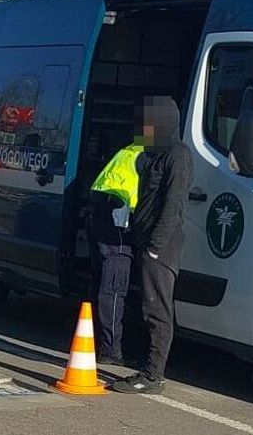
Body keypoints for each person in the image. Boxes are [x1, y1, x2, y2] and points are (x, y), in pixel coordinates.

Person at [111, 96, 193, 394]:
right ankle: (148, 366)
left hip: (161, 246)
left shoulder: (178, 155)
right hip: (146, 240)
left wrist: (155, 246)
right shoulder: (153, 154)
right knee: (148, 306)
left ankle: (152, 375)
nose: (144, 129)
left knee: (157, 309)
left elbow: (172, 204)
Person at [84, 107, 159, 367]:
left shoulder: (129, 150)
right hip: (116, 223)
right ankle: (110, 350)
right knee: (114, 288)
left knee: (102, 284)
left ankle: (97, 341)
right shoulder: (147, 157)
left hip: (101, 216)